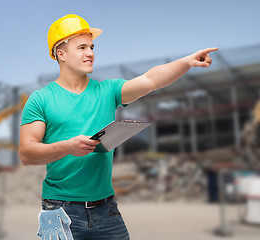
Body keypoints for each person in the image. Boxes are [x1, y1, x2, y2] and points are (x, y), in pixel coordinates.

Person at [19, 14, 217, 240]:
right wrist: (67, 147)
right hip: (60, 211)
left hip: (106, 210)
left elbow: (151, 80)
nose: (91, 53)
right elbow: (27, 153)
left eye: (92, 47)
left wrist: (186, 62)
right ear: (60, 54)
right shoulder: (41, 99)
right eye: (82, 47)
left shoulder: (108, 91)